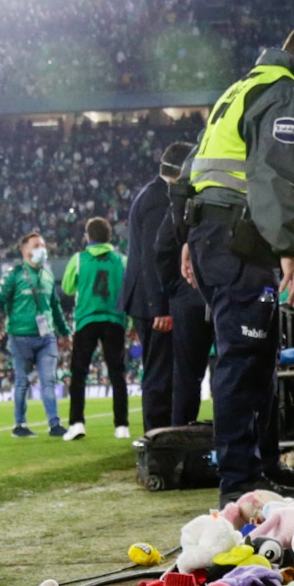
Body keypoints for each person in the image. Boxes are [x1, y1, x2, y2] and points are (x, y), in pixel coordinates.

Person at [180, 22, 294, 502]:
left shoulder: (243, 86)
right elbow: (272, 176)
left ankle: (262, 468)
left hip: (216, 233)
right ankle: (238, 483)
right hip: (239, 242)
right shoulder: (287, 93)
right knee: (243, 359)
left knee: (259, 357)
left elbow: (202, 169)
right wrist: (291, 250)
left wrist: (191, 236)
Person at [122, 141, 190, 433]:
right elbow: (152, 258)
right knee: (160, 373)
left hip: (150, 300)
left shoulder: (154, 194)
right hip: (153, 303)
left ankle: (161, 435)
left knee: (162, 371)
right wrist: (159, 307)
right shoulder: (158, 200)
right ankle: (158, 438)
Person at [0, 230, 70, 438]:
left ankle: (54, 424)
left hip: (46, 337)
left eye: (43, 245)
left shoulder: (48, 275)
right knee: (23, 382)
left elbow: (55, 307)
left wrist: (65, 333)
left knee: (48, 380)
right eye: (36, 246)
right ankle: (20, 425)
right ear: (25, 252)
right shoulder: (14, 275)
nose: (42, 249)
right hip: (20, 337)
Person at [60, 216, 133, 440]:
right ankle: (121, 426)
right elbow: (129, 291)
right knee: (117, 373)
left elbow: (67, 288)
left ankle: (77, 423)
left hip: (86, 320)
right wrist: (129, 322)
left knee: (79, 373)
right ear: (109, 237)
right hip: (114, 320)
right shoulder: (121, 260)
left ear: (88, 236)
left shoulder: (79, 259)